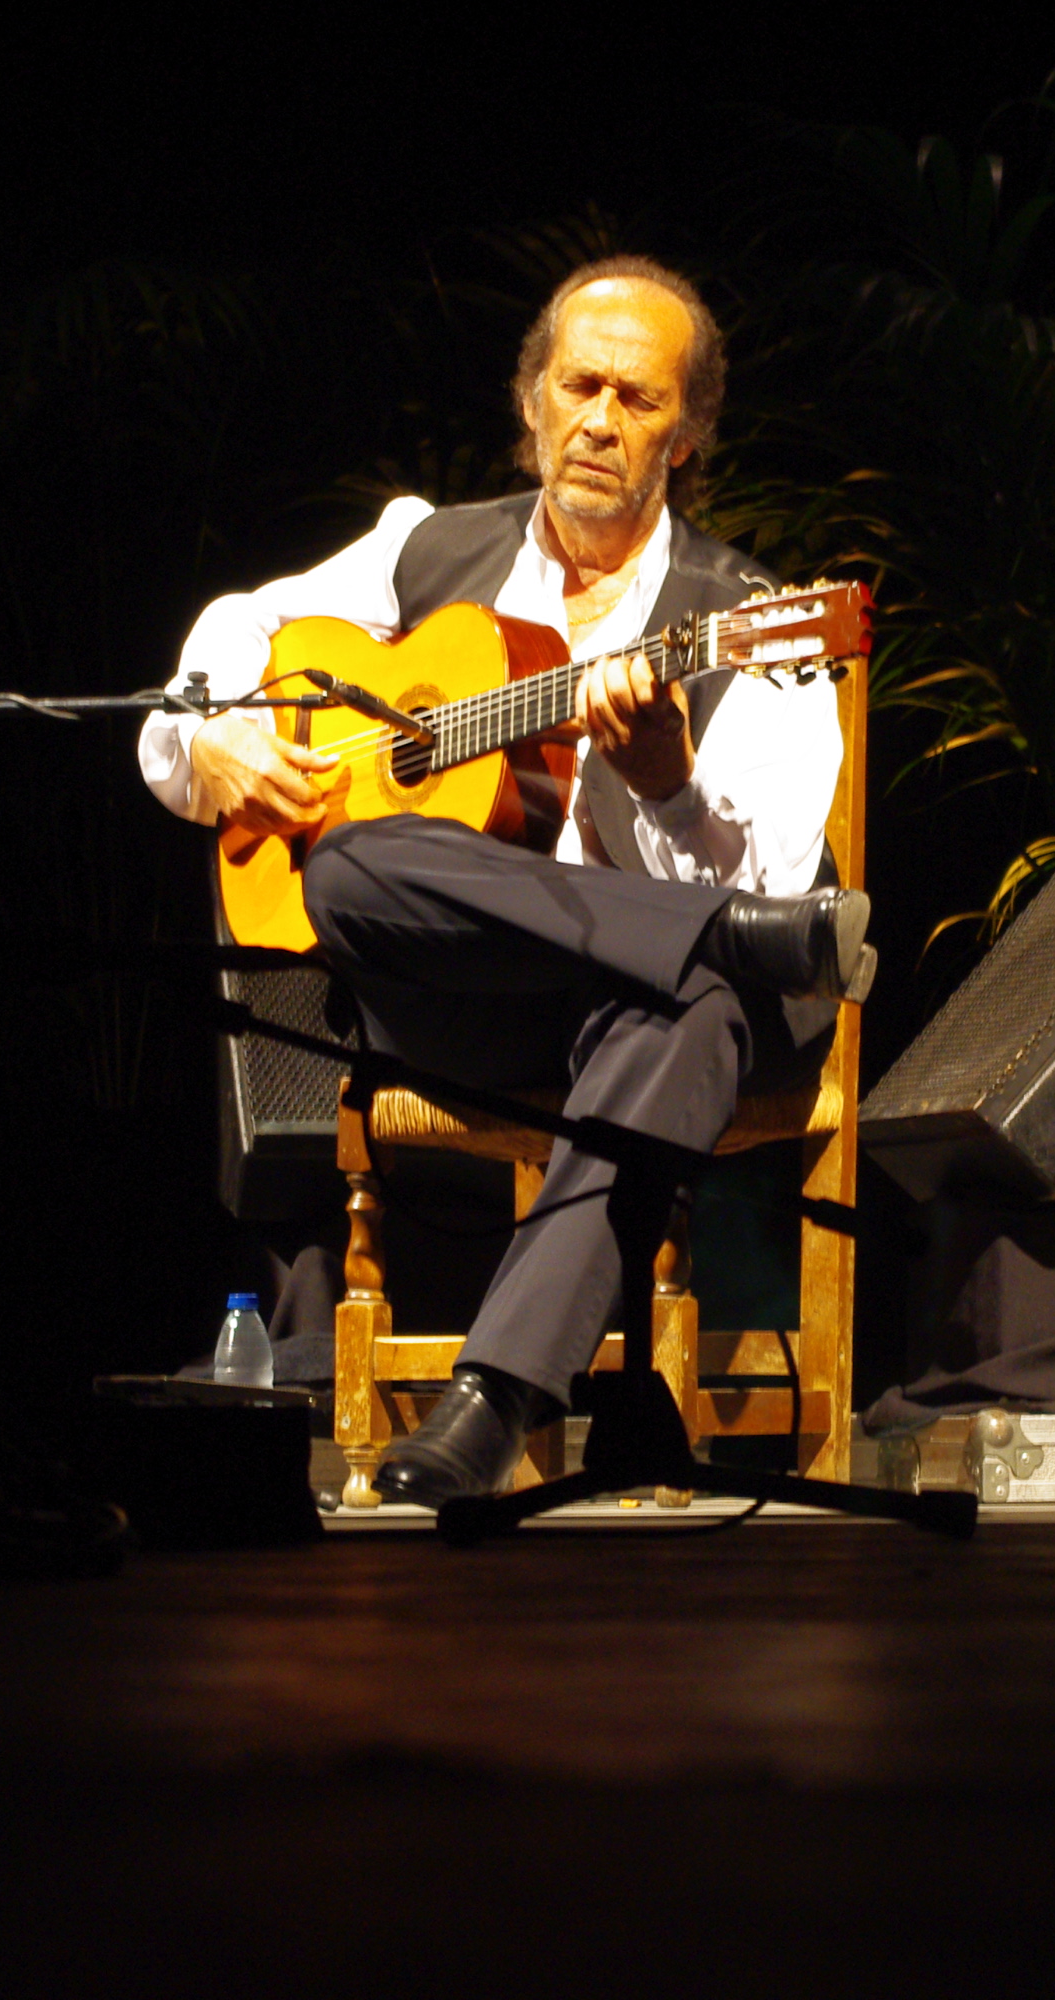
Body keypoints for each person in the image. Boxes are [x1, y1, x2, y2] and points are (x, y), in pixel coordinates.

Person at [136, 257, 870, 1508]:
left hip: (637, 1024)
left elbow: (778, 860)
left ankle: (493, 1397)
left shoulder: (745, 617)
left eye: (638, 399)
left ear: (685, 436)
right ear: (531, 401)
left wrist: (665, 786)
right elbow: (229, 629)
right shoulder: (424, 546)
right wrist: (206, 739)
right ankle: (732, 935)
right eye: (578, 387)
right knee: (353, 860)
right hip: (467, 1004)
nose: (600, 420)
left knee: (695, 1003)